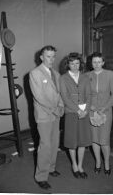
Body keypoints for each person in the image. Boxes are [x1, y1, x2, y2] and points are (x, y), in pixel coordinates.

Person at [29, 45, 64, 190]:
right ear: (41, 57)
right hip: (44, 115)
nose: (51, 59)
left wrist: (61, 107)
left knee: (55, 143)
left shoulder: (56, 74)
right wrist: (55, 109)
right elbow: (39, 97)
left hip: (56, 114)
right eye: (48, 56)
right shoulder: (35, 73)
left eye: (53, 56)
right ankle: (41, 176)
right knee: (45, 145)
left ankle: (51, 168)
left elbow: (59, 93)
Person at [60, 52, 92, 179]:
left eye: (77, 63)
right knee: (72, 140)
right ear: (68, 64)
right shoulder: (63, 78)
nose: (75, 66)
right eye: (72, 63)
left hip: (84, 113)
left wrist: (86, 110)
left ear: (80, 64)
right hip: (71, 113)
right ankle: (74, 164)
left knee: (83, 141)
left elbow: (89, 95)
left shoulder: (85, 77)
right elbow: (65, 97)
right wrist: (77, 110)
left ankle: (80, 165)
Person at [86, 52, 113, 175]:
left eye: (99, 62)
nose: (97, 64)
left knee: (104, 140)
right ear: (91, 63)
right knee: (94, 139)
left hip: (106, 111)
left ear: (103, 62)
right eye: (94, 62)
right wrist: (90, 106)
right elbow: (85, 95)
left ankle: (107, 163)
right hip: (92, 111)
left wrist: (104, 108)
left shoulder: (111, 74)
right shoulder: (87, 75)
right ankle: (98, 162)